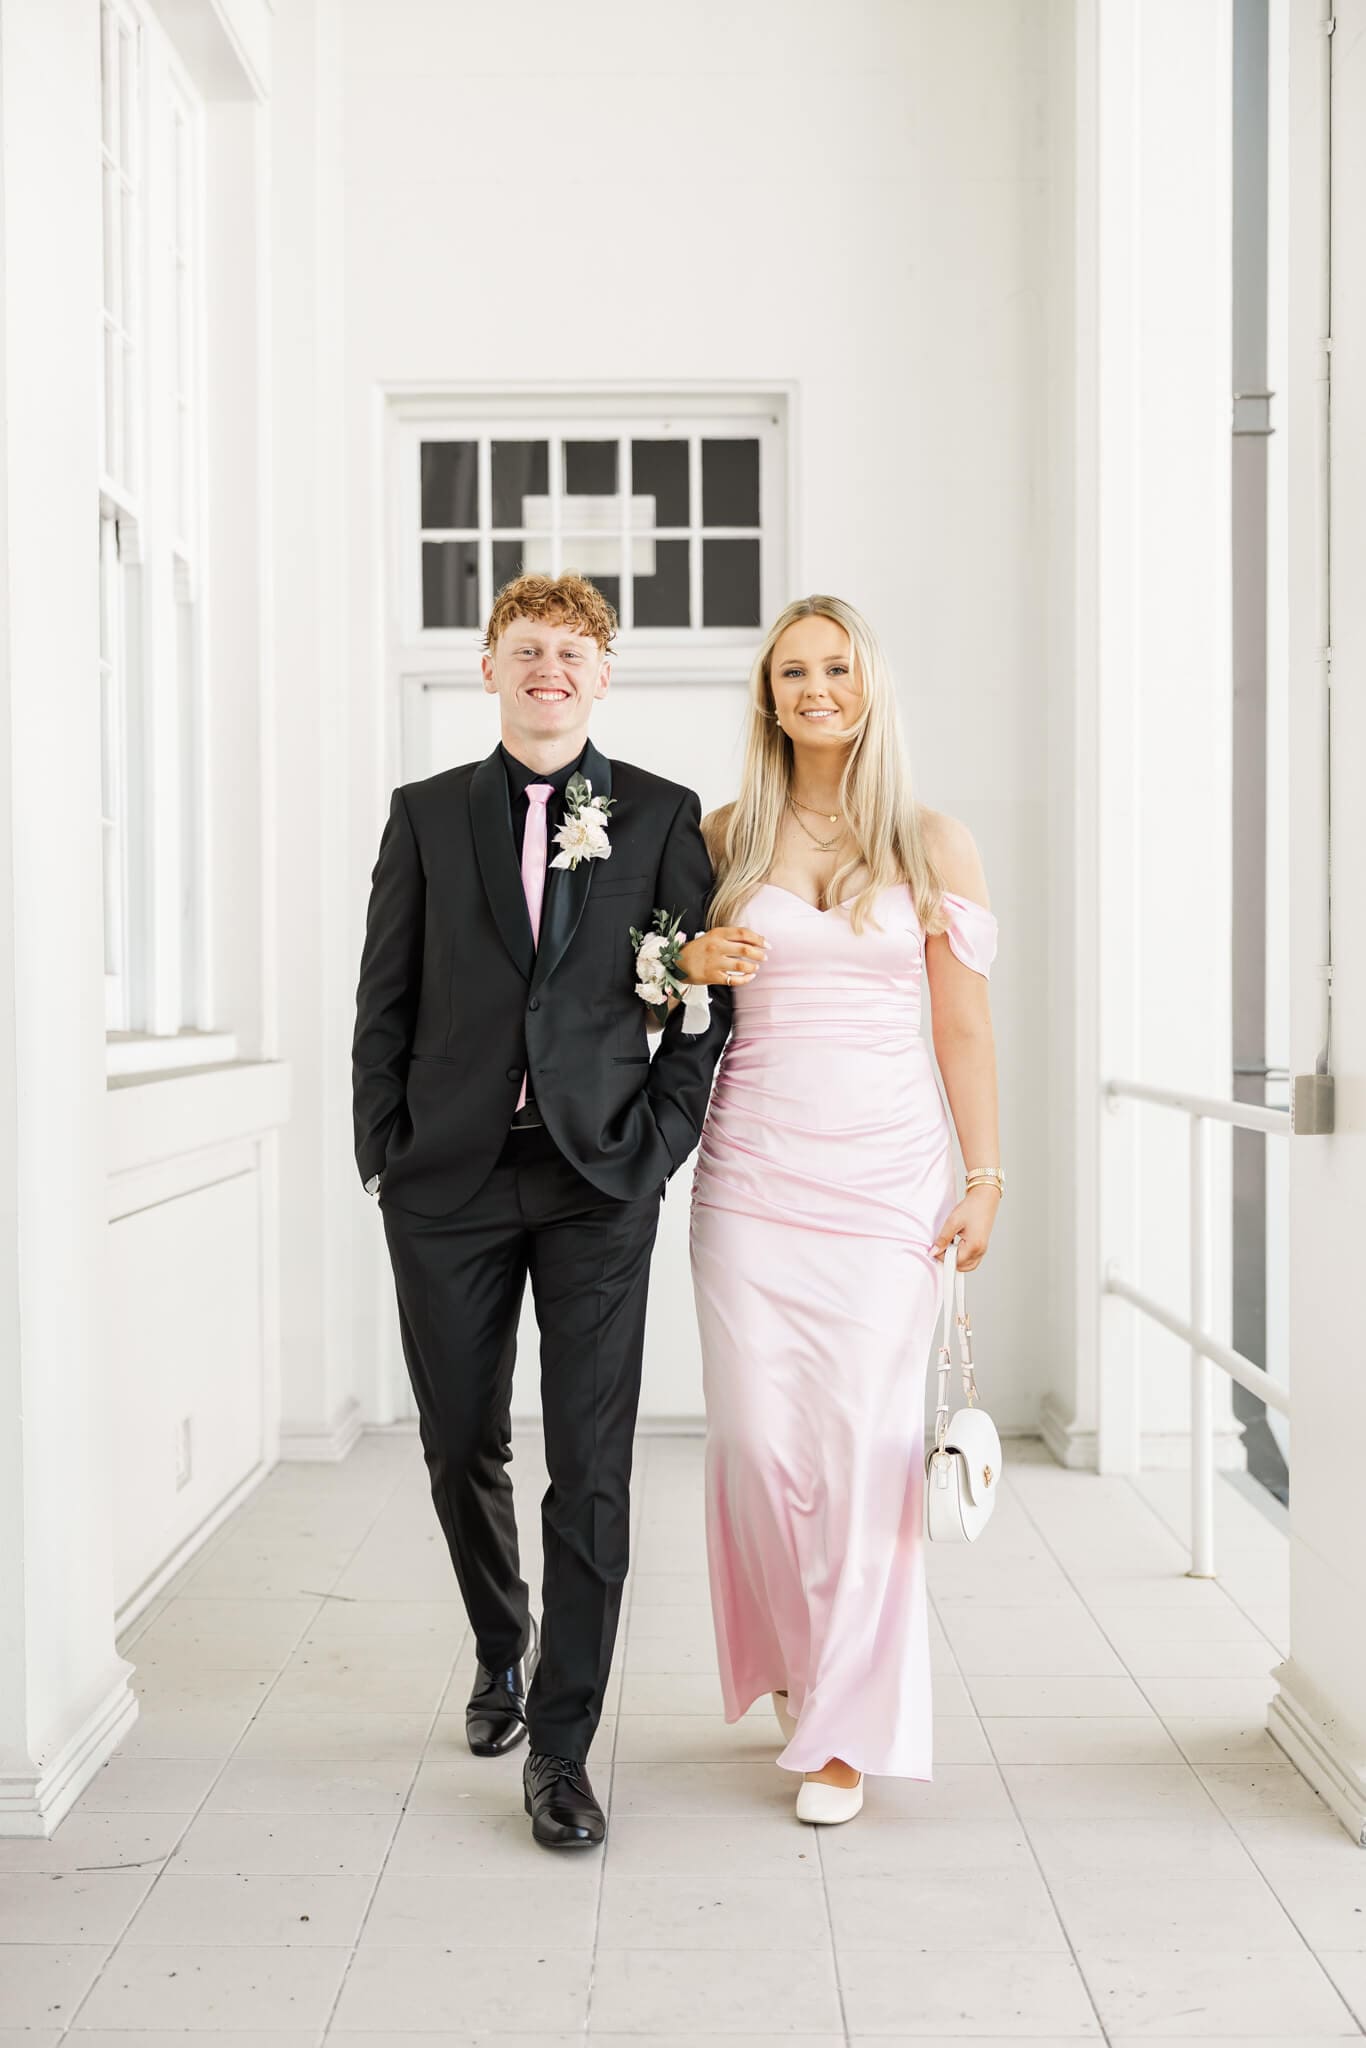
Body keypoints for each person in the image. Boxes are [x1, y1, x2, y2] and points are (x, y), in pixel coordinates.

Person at [352, 573, 730, 1851]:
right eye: (528, 648)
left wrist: (660, 1144)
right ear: (490, 666)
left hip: (596, 1180)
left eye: (573, 651)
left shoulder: (666, 817)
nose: (549, 668)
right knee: (461, 1437)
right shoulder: (422, 816)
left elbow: (700, 1002)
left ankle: (561, 1747)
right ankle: (498, 1644)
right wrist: (382, 1156)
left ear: (604, 674)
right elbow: (383, 1002)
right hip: (446, 1179)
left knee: (593, 1462)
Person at [680, 593, 1003, 1826]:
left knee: (868, 1452)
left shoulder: (933, 843)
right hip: (749, 1178)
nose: (816, 686)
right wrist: (689, 966)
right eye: (793, 670)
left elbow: (962, 1024)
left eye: (837, 666)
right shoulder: (720, 836)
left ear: (869, 683)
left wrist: (984, 1175)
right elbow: (649, 990)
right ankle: (798, 1661)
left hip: (886, 1185)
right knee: (761, 1445)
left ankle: (846, 1733)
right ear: (768, 696)